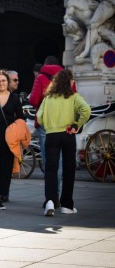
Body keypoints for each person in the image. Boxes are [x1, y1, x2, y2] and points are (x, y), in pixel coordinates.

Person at [37, 69, 90, 216]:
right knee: (68, 169)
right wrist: (76, 125)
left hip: (51, 135)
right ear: (69, 82)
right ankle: (67, 205)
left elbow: (39, 117)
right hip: (67, 135)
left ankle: (50, 201)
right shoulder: (74, 97)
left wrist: (49, 124)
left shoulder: (48, 99)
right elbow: (86, 110)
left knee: (51, 169)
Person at [0, 70, 25, 210]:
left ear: (8, 82)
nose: (1, 83)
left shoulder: (14, 98)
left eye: (3, 80)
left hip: (8, 138)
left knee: (5, 167)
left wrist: (17, 132)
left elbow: (20, 118)